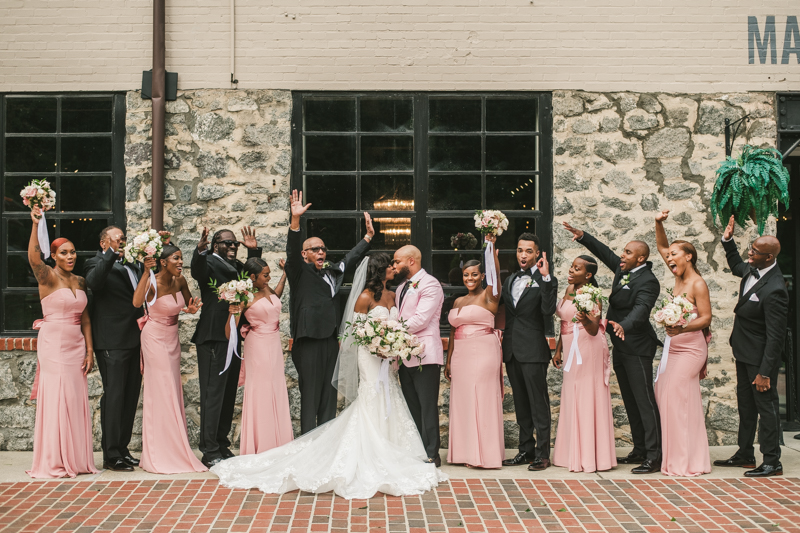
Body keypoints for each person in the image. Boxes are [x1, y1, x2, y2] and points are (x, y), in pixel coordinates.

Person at [211, 253, 447, 499]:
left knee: (389, 394)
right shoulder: (365, 297)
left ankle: (392, 447)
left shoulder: (393, 294)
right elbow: (355, 332)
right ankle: (369, 451)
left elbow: (398, 323)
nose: (393, 269)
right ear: (379, 270)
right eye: (389, 265)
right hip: (370, 356)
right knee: (371, 394)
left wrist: (391, 344)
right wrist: (377, 344)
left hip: (386, 358)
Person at [563, 221, 662, 474]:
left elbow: (641, 311)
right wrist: (584, 236)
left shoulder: (649, 282)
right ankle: (639, 448)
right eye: (624, 251)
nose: (622, 255)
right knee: (629, 399)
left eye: (628, 253)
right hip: (619, 345)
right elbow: (604, 252)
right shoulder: (622, 270)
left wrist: (622, 326)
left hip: (637, 346)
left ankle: (654, 455)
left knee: (644, 400)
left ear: (640, 258)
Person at [285, 190, 373, 434]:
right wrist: (295, 221)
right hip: (309, 340)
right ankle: (308, 442)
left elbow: (350, 258)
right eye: (314, 249)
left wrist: (367, 237)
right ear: (305, 255)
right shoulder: (299, 271)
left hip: (331, 340)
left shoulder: (333, 271)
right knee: (310, 395)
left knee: (328, 394)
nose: (321, 252)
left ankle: (325, 441)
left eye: (323, 248)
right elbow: (291, 252)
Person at [26, 205, 98, 478]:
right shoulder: (47, 276)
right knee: (57, 396)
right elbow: (33, 259)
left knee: (74, 396)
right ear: (53, 256)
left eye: (73, 252)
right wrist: (35, 224)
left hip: (76, 344)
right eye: (64, 253)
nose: (70, 256)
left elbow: (86, 319)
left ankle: (77, 459)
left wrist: (89, 350)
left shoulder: (79, 280)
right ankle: (55, 458)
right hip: (53, 343)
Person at [714, 215, 788, 477]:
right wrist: (728, 240)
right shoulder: (751, 267)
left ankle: (771, 461)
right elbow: (736, 264)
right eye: (751, 248)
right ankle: (745, 453)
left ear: (769, 257)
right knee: (745, 405)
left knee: (765, 408)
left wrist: (766, 372)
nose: (750, 253)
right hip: (743, 352)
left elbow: (776, 336)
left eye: (755, 251)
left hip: (760, 359)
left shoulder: (776, 289)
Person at [191, 225, 262, 468]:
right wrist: (199, 250)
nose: (233, 247)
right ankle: (209, 450)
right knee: (213, 394)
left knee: (228, 392)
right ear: (215, 245)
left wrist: (253, 253)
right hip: (213, 337)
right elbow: (197, 271)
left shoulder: (239, 267)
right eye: (227, 243)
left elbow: (253, 279)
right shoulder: (208, 262)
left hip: (233, 337)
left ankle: (221, 443)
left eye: (236, 244)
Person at [134, 245, 206, 474]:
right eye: (176, 258)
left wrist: (192, 309)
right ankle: (159, 452)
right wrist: (145, 272)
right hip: (154, 337)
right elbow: (137, 303)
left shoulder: (180, 281)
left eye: (181, 258)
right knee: (161, 390)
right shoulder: (153, 282)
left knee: (172, 390)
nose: (180, 262)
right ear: (163, 262)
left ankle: (175, 447)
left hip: (172, 338)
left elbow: (188, 305)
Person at [653, 211, 712, 476]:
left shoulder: (697, 283)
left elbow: (707, 317)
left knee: (677, 397)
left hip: (691, 349)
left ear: (689, 256)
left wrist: (682, 326)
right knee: (665, 395)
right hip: (673, 348)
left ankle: (687, 461)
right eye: (670, 256)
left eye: (675, 254)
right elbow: (661, 247)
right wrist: (658, 223)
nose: (670, 258)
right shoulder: (677, 276)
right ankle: (675, 457)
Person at [84, 226, 145, 472]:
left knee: (130, 397)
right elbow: (94, 283)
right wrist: (111, 253)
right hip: (112, 340)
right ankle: (110, 455)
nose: (122, 241)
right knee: (115, 395)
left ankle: (123, 448)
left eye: (123, 238)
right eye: (116, 238)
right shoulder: (95, 262)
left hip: (136, 337)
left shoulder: (133, 264)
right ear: (103, 242)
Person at [551, 255, 616, 473]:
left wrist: (585, 318)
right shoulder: (569, 288)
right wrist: (559, 349)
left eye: (576, 268)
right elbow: (564, 322)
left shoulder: (592, 295)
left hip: (587, 347)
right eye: (571, 266)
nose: (571, 270)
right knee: (572, 393)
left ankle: (590, 455)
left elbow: (594, 328)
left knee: (587, 395)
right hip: (569, 346)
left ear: (588, 275)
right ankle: (570, 452)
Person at [444, 235, 504, 469]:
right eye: (466, 275)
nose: (470, 278)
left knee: (481, 398)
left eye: (475, 274)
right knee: (464, 401)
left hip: (483, 352)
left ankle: (483, 455)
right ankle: (463, 452)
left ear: (482, 276)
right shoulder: (457, 301)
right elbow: (451, 332)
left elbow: (496, 277)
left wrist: (491, 246)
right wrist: (448, 361)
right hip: (460, 356)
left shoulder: (488, 296)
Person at [500, 233, 558, 471]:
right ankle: (525, 450)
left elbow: (548, 310)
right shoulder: (511, 279)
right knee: (521, 403)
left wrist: (545, 279)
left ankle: (543, 454)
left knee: (538, 403)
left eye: (528, 251)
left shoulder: (546, 280)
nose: (523, 255)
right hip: (512, 349)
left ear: (537, 254)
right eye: (520, 250)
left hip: (533, 350)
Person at [225, 258, 292, 455]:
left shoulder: (268, 289)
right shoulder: (244, 296)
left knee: (276, 388)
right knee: (261, 391)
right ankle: (261, 444)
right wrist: (233, 313)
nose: (268, 278)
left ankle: (279, 442)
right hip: (258, 346)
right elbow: (230, 333)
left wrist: (284, 275)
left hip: (274, 343)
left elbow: (275, 298)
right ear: (252, 277)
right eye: (265, 275)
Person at [393, 245, 445, 466]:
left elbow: (421, 320)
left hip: (425, 355)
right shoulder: (401, 287)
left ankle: (433, 453)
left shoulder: (430, 284)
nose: (394, 266)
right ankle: (418, 449)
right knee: (412, 405)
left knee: (427, 405)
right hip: (404, 356)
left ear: (411, 261)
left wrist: (391, 330)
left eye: (397, 262)